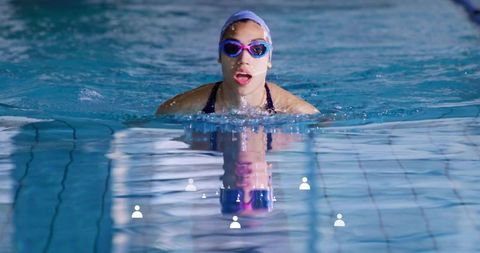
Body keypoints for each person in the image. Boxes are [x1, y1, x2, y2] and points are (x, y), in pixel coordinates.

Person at [156, 10, 319, 115]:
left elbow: (322, 122)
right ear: (220, 56)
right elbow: (159, 115)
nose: (243, 59)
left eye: (257, 49)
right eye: (232, 48)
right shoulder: (192, 104)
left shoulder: (292, 109)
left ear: (269, 59)